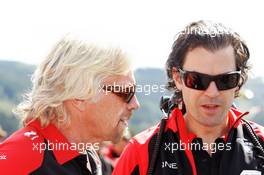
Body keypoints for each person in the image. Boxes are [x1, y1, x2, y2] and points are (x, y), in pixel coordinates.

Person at [113, 20, 264, 175]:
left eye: (225, 80)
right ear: (178, 79)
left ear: (238, 82)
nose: (212, 92)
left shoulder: (261, 144)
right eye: (197, 80)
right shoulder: (141, 151)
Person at [0, 36, 140, 175]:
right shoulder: (18, 162)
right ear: (80, 94)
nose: (135, 104)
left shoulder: (88, 156)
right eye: (126, 92)